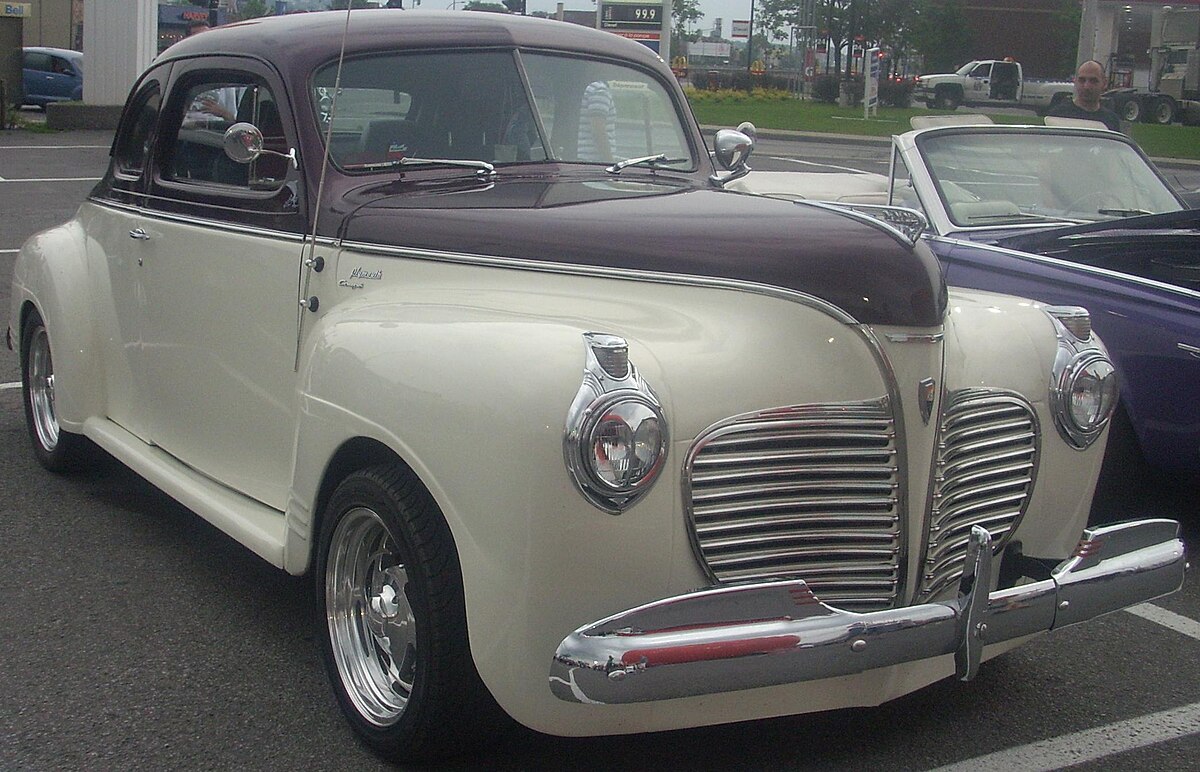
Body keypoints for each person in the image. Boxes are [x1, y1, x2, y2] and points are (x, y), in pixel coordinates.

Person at [1048, 60, 1122, 132]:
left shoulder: (1111, 121)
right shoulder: (1058, 115)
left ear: (1104, 83)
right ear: (1075, 81)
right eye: (1082, 80)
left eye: (1093, 81)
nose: (1086, 86)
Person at [577, 80, 617, 162]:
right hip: (594, 163)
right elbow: (598, 131)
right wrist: (610, 163)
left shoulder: (588, 89)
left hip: (581, 160)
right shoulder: (599, 91)